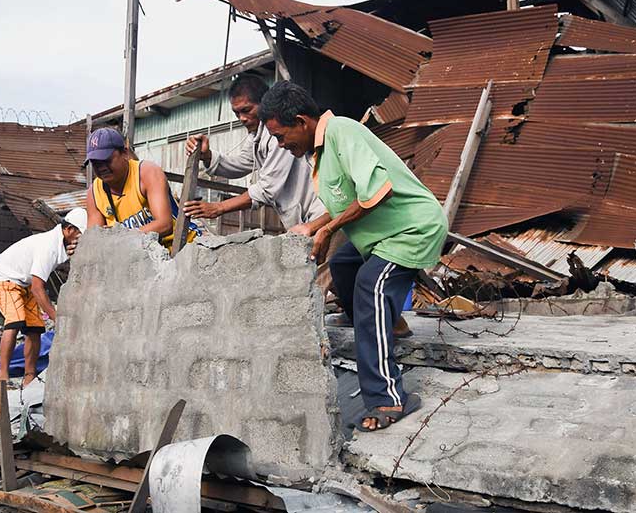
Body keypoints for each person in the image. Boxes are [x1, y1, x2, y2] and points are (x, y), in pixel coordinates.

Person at [258, 81, 447, 432]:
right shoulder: (321, 152)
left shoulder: (342, 132)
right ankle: (390, 324)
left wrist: (328, 230)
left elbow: (378, 192)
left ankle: (388, 398)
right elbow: (346, 202)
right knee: (343, 265)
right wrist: (313, 226)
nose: (281, 145)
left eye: (281, 137)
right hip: (381, 234)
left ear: (301, 121)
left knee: (370, 286)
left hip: (411, 230)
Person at [183, 74, 326, 231]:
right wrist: (208, 156)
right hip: (304, 221)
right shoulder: (256, 135)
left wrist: (219, 207)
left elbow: (267, 187)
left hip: (320, 215)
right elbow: (242, 163)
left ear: (264, 104)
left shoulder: (280, 134)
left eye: (246, 110)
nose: (242, 118)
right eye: (237, 113)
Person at [0, 208, 87, 387]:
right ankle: (3, 376)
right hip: (5, 277)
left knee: (35, 328)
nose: (81, 240)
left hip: (24, 282)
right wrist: (56, 318)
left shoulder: (62, 243)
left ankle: (30, 375)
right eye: (80, 235)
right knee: (15, 322)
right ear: (69, 230)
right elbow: (37, 287)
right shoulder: (48, 247)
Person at [85, 128, 200, 251]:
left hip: (184, 247)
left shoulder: (146, 173)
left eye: (107, 160)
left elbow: (165, 225)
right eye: (95, 163)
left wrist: (119, 237)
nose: (101, 168)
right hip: (143, 255)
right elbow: (94, 242)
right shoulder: (94, 193)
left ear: (124, 153)